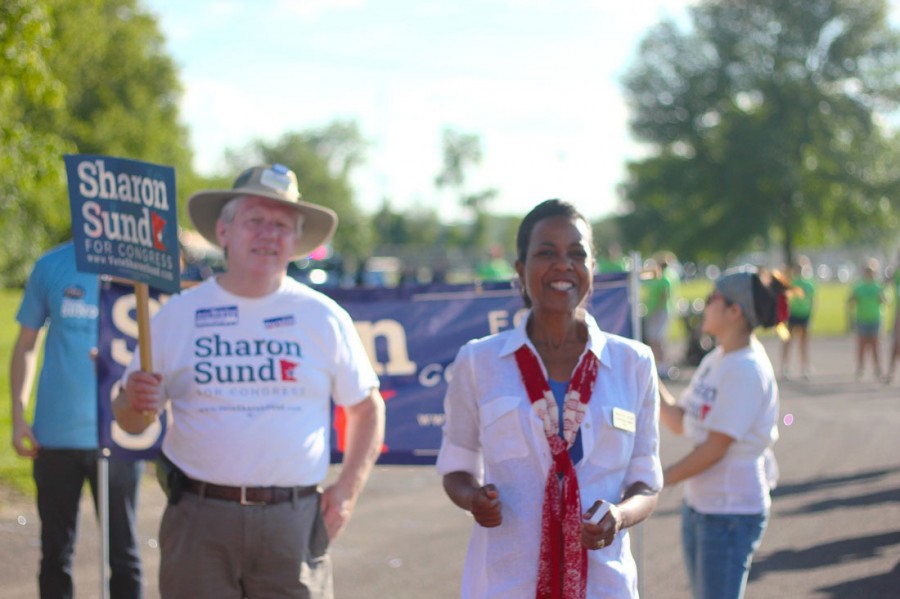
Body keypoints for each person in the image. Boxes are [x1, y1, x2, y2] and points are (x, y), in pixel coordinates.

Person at [113, 164, 386, 598]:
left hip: (292, 524)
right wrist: (134, 402)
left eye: (281, 225)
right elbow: (130, 419)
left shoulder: (323, 316)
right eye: (255, 220)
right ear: (223, 231)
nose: (268, 234)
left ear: (296, 241)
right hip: (198, 521)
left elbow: (367, 408)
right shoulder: (179, 314)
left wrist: (347, 490)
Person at [437, 199, 662, 598]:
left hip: (603, 586)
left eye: (577, 254)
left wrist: (619, 515)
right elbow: (455, 467)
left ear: (592, 268)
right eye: (546, 253)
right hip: (506, 583)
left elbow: (646, 483)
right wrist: (475, 499)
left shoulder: (633, 363)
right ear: (520, 270)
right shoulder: (479, 361)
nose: (563, 265)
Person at [11, 240, 143, 598]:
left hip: (118, 436)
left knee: (124, 554)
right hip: (55, 435)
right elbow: (26, 344)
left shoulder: (141, 266)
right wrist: (19, 416)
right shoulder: (51, 265)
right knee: (56, 553)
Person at [659, 267, 788, 599]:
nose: (705, 305)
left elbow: (716, 448)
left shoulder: (746, 368)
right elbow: (679, 420)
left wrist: (657, 480)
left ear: (735, 311)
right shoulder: (717, 358)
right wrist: (644, 371)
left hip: (731, 514)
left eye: (711, 298)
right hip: (702, 506)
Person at [847, 258, 885, 381]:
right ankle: (860, 367)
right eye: (867, 271)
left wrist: (882, 295)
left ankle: (877, 368)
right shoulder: (859, 287)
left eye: (871, 271)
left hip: (875, 318)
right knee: (861, 345)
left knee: (875, 344)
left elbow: (885, 301)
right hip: (862, 318)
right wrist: (850, 319)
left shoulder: (878, 286)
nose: (869, 274)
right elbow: (851, 301)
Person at [780, 256, 816, 380]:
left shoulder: (808, 284)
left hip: (804, 315)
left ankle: (805, 367)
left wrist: (811, 314)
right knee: (788, 341)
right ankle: (785, 366)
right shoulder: (791, 283)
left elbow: (812, 300)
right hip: (792, 315)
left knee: (804, 343)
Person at [641, 258, 672, 379]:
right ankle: (659, 365)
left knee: (657, 339)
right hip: (653, 312)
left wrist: (654, 311)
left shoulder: (664, 280)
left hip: (658, 312)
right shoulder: (657, 279)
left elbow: (662, 298)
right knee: (653, 339)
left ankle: (663, 366)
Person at [884, 251, 900, 384]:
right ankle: (891, 371)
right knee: (896, 344)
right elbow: (887, 281)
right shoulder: (897, 272)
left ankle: (890, 372)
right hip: (899, 312)